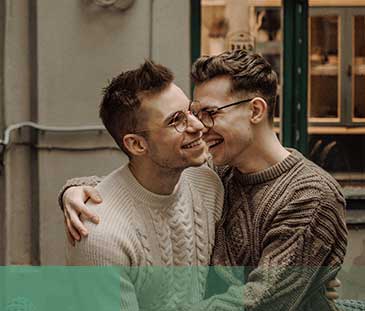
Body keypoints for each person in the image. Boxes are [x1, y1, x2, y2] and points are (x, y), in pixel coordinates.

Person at [60, 50, 347, 310]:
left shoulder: (311, 195)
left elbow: (263, 301)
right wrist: (74, 191)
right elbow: (146, 185)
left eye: (208, 114)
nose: (198, 126)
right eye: (189, 115)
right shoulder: (216, 172)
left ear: (256, 111)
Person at [64, 60, 225, 311]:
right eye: (176, 121)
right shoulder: (100, 237)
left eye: (191, 112)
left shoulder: (207, 183)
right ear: (137, 145)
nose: (198, 126)